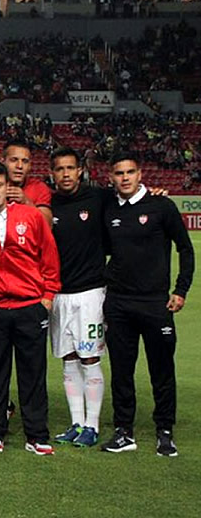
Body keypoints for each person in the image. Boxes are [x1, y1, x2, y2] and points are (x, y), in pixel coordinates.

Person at [100, 150, 194, 456]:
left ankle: (164, 431)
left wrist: (180, 290)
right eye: (119, 173)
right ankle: (124, 431)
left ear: (140, 174)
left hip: (155, 304)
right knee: (122, 372)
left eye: (129, 172)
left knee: (162, 371)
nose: (124, 178)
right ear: (111, 177)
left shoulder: (161, 206)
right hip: (118, 304)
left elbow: (185, 248)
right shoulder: (109, 207)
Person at [0, 160, 60, 455]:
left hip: (30, 306)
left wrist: (47, 296)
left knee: (33, 373)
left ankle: (37, 434)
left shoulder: (30, 216)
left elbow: (49, 257)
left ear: (8, 186)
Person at [48, 147, 109, 448]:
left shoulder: (97, 198)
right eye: (60, 169)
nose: (66, 174)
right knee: (68, 359)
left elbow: (126, 204)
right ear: (52, 173)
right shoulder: (50, 204)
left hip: (90, 293)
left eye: (70, 168)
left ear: (80, 171)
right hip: (59, 295)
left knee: (89, 357)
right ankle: (76, 423)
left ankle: (93, 425)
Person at [2, 140, 52, 225]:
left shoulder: (39, 188)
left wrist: (26, 202)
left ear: (30, 166)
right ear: (3, 161)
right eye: (14, 160)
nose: (19, 166)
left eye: (25, 161)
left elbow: (48, 225)